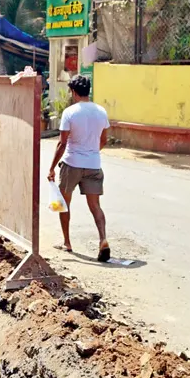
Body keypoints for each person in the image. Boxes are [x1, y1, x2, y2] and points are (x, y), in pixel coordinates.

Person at [47, 75, 111, 262]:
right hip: (94, 165)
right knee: (95, 206)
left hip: (71, 164)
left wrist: (51, 168)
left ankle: (67, 242)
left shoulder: (70, 112)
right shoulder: (101, 111)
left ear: (74, 92)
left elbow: (62, 143)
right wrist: (90, 153)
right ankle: (103, 239)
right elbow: (104, 140)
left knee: (63, 204)